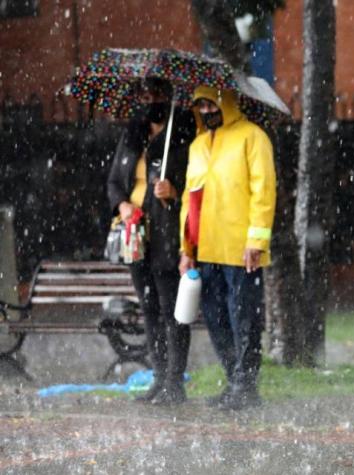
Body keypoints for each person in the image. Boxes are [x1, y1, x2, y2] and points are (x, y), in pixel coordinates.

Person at [178, 86, 276, 411]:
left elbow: (263, 192)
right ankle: (235, 381)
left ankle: (246, 386)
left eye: (210, 103)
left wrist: (256, 242)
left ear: (227, 102)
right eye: (200, 105)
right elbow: (189, 202)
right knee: (217, 319)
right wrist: (186, 247)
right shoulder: (196, 146)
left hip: (240, 250)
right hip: (206, 250)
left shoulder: (252, 137)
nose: (206, 110)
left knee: (244, 318)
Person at [106, 78, 195, 405]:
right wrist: (123, 205)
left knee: (172, 310)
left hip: (167, 234)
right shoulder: (132, 136)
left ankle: (176, 381)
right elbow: (114, 181)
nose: (150, 101)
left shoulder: (184, 136)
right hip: (135, 237)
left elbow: (196, 187)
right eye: (144, 95)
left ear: (169, 99)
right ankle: (159, 377)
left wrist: (174, 192)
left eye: (156, 95)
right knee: (149, 309)